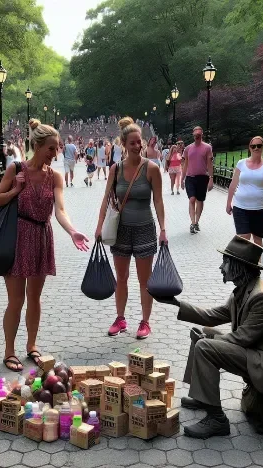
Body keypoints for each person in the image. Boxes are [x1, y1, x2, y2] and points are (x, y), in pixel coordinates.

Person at [152, 235, 263, 438]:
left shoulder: (261, 297)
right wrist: (175, 303)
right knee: (204, 334)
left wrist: (209, 342)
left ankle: (217, 419)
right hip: (256, 352)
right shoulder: (243, 289)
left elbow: (242, 339)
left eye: (225, 262)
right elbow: (211, 316)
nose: (221, 267)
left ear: (238, 266)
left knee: (205, 345)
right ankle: (203, 397)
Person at [0, 119, 89, 372]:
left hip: (41, 236)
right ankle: (9, 351)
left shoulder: (55, 176)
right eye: (51, 148)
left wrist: (72, 231)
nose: (55, 153)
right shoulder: (16, 169)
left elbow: (60, 210)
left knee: (34, 297)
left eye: (57, 148)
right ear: (36, 146)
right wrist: (16, 189)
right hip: (17, 237)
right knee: (16, 300)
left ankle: (31, 346)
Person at [96, 117, 167, 340]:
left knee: (144, 280)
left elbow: (158, 201)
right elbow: (107, 199)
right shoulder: (115, 169)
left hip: (145, 228)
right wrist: (98, 227)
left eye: (139, 142)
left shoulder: (152, 168)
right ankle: (120, 318)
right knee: (122, 277)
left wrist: (163, 229)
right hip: (121, 230)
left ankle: (145, 322)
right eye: (132, 143)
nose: (137, 146)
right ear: (124, 145)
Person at [226, 136, 263, 247]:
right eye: (253, 146)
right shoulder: (241, 163)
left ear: (262, 147)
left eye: (259, 146)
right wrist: (228, 203)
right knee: (243, 239)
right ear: (249, 148)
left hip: (261, 208)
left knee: (257, 241)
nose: (256, 148)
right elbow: (233, 185)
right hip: (240, 207)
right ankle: (243, 265)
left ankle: (255, 264)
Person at [182, 127, 214, 234]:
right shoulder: (187, 149)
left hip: (202, 178)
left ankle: (196, 221)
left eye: (199, 135)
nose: (197, 137)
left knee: (200, 200)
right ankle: (192, 223)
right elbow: (185, 164)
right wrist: (182, 179)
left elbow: (209, 164)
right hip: (190, 178)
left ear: (202, 135)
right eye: (195, 135)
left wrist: (211, 179)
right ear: (193, 135)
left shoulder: (207, 148)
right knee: (192, 199)